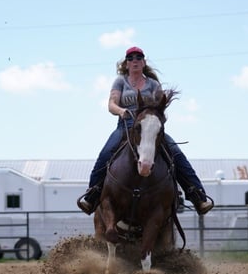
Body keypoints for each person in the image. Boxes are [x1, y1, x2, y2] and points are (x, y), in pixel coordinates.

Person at [77, 46, 214, 216]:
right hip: (126, 125)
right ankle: (91, 196)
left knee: (176, 154)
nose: (134, 60)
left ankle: (198, 196)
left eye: (138, 57)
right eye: (131, 58)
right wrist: (122, 111)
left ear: (143, 62)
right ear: (126, 64)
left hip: (150, 128)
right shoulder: (120, 81)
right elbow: (111, 104)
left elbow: (160, 106)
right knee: (106, 153)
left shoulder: (153, 84)